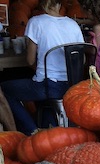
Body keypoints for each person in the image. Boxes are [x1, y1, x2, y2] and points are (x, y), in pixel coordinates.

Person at [0, 0, 84, 135]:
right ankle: (46, 123)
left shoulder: (36, 22)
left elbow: (29, 59)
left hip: (48, 86)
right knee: (35, 82)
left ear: (42, 4)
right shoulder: (73, 24)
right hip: (72, 85)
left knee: (5, 90)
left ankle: (31, 131)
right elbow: (81, 57)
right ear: (60, 4)